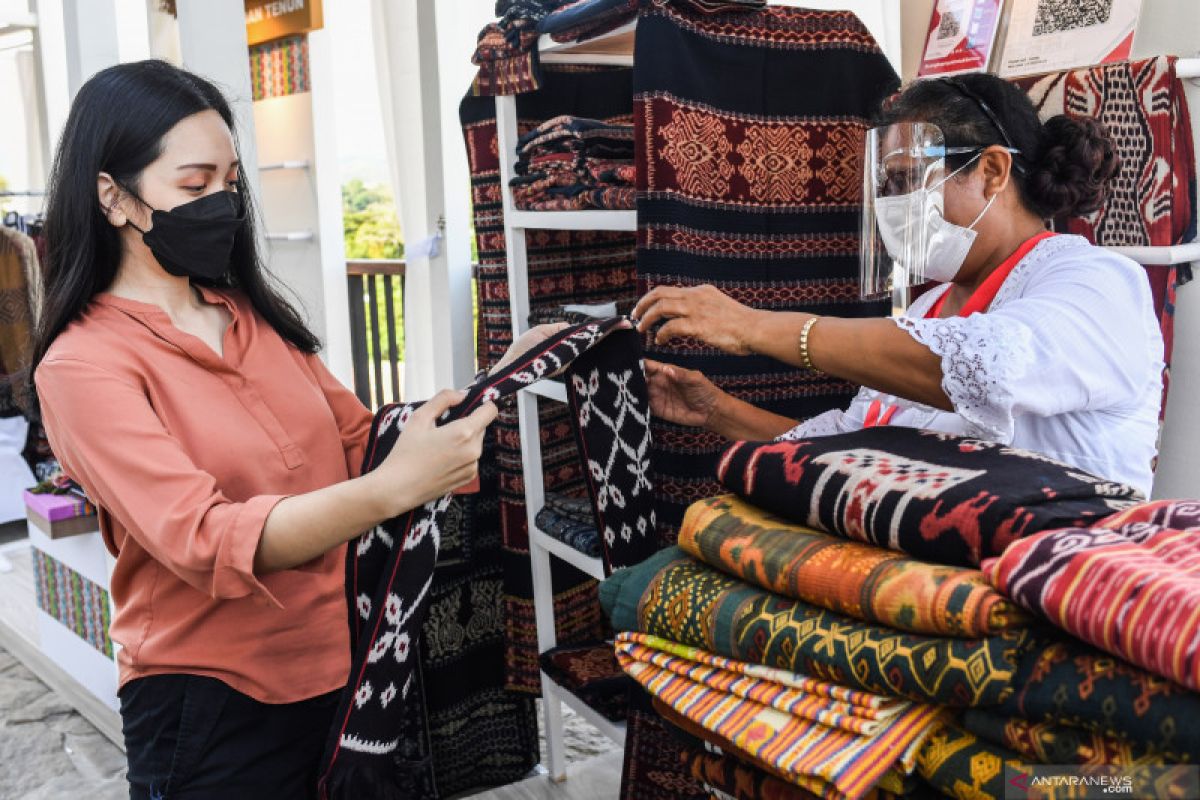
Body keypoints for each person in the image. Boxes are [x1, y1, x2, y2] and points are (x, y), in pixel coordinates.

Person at [29, 60, 556, 799]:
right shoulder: (83, 365)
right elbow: (204, 540)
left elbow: (362, 443)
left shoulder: (252, 319)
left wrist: (499, 381)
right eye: (194, 184)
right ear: (112, 195)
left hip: (348, 671)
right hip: (211, 707)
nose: (224, 202)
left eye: (230, 181)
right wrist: (386, 491)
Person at [634, 72, 1163, 495]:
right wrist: (716, 410)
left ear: (993, 172)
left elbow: (985, 372)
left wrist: (754, 327)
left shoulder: (1098, 281)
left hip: (1058, 574)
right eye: (886, 186)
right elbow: (852, 448)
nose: (892, 206)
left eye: (909, 180)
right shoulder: (930, 307)